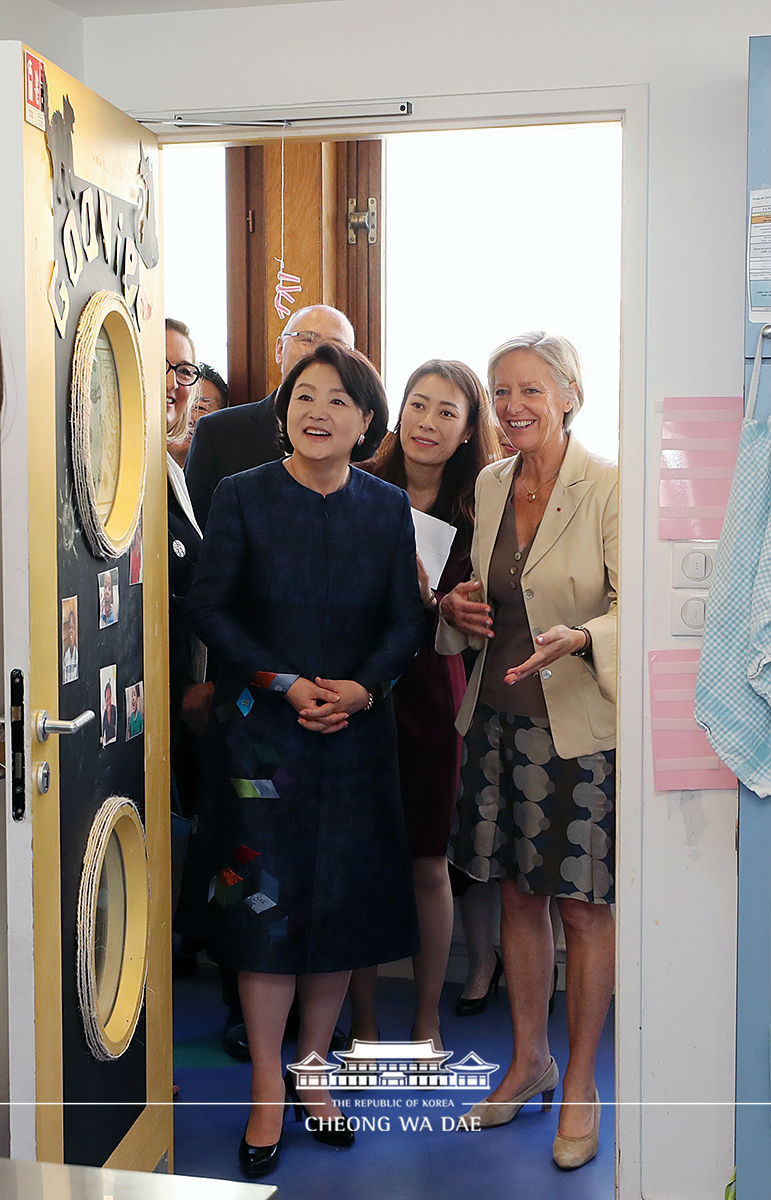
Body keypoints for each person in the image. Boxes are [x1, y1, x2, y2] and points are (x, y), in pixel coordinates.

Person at [187, 341, 425, 1178]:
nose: (315, 411)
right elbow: (209, 610)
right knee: (265, 916)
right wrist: (285, 683)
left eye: (337, 400)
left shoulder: (386, 506)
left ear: (366, 422)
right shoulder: (242, 495)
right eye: (302, 396)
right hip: (263, 738)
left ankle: (313, 1076)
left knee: (337, 916)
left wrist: (362, 688)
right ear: (284, 410)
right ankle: (264, 1090)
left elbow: (408, 620)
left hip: (354, 739)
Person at [438, 331, 617, 1170]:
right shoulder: (487, 481)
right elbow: (471, 604)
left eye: (530, 392)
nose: (511, 408)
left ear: (569, 395)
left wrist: (581, 635)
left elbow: (631, 607)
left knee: (581, 909)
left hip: (575, 732)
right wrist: (457, 614)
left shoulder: (608, 486)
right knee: (514, 898)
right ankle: (527, 1061)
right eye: (500, 392)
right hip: (496, 722)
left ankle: (578, 1081)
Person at [348, 359, 500, 1047]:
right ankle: (365, 1018)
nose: (427, 422)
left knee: (426, 863)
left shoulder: (481, 508)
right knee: (360, 858)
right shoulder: (358, 486)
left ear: (469, 429)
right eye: (417, 405)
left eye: (446, 411)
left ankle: (426, 1018)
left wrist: (437, 601)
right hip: (357, 687)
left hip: (432, 692)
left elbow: (481, 614)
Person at [185, 304, 354, 527]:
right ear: (279, 349)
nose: (320, 354)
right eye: (307, 339)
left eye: (336, 346)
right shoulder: (218, 432)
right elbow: (195, 535)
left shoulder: (357, 440)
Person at [101, 680, 117, 746]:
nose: (109, 702)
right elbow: (102, 731)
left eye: (110, 698)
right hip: (108, 744)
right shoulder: (104, 714)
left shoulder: (114, 709)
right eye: (107, 700)